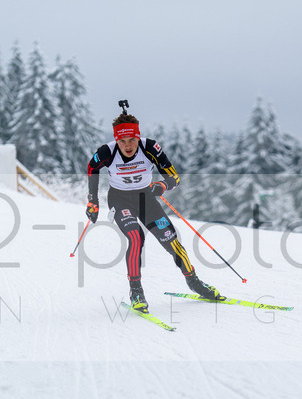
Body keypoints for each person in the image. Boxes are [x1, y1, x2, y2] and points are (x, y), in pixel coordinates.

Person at [85, 110, 221, 312]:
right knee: (136, 236)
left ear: (138, 137)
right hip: (120, 200)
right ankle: (136, 291)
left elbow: (173, 177)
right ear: (116, 140)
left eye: (132, 139)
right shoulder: (107, 151)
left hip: (145, 199)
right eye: (122, 141)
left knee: (171, 239)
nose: (128, 145)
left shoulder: (149, 148)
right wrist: (92, 201)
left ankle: (194, 282)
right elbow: (91, 168)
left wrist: (162, 186)